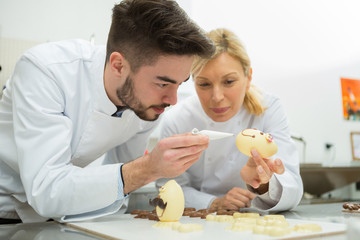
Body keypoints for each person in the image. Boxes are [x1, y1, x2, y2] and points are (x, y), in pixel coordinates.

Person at [0, 0, 215, 224]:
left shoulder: (147, 107)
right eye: (163, 84)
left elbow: (122, 185)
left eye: (180, 84)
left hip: (58, 215)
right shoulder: (46, 71)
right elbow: (47, 188)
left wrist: (142, 171)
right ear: (118, 65)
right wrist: (148, 168)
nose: (173, 100)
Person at [158, 28, 303, 212]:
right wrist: (212, 203)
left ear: (248, 77)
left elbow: (292, 187)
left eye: (228, 82)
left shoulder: (268, 109)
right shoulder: (177, 119)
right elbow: (169, 187)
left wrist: (263, 184)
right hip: (199, 220)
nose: (217, 97)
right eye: (204, 84)